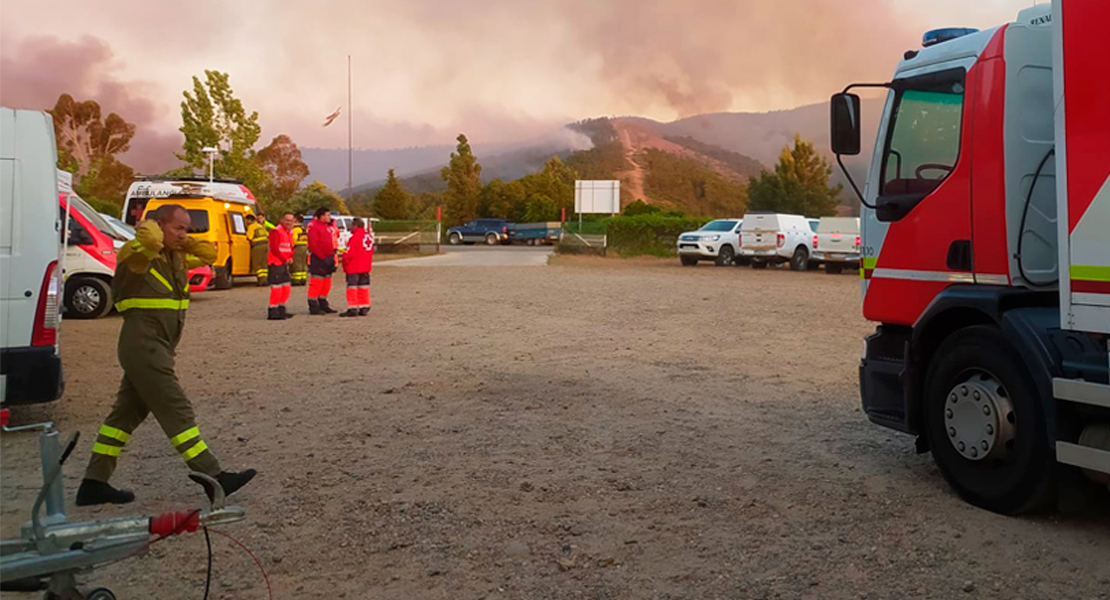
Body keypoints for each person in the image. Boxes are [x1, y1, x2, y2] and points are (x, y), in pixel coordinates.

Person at [76, 205, 257, 506]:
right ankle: (213, 478)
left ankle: (94, 483)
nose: (184, 234)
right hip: (143, 345)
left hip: (158, 345)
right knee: (176, 407)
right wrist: (151, 230)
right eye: (179, 228)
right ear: (159, 226)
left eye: (187, 228)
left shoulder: (173, 257)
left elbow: (209, 255)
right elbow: (145, 244)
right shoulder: (137, 254)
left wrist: (182, 240)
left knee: (124, 416)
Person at [306, 207, 339, 315]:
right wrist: (322, 257)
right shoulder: (314, 227)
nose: (330, 217)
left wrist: (331, 257)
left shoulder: (327, 227)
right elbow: (313, 244)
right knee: (317, 282)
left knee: (326, 282)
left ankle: (323, 302)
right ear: (322, 216)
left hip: (328, 257)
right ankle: (313, 304)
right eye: (327, 215)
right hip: (319, 259)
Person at [339, 218, 374, 317]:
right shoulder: (368, 236)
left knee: (352, 287)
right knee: (364, 287)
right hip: (365, 266)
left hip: (354, 266)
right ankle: (364, 306)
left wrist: (345, 263)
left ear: (355, 225)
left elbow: (349, 254)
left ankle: (353, 307)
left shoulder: (355, 237)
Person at [267, 213, 297, 320]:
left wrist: (290, 257)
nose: (288, 222)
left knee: (286, 287)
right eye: (286, 220)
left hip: (284, 263)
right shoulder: (276, 231)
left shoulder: (289, 232)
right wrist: (285, 259)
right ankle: (273, 310)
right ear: (281, 220)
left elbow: (289, 247)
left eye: (291, 220)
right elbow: (274, 248)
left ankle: (281, 308)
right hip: (276, 262)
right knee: (277, 288)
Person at [246, 214, 269, 286]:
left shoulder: (251, 227)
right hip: (266, 246)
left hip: (257, 247)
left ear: (249, 220)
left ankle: (261, 281)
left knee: (257, 263)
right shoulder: (260, 226)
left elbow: (249, 237)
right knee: (264, 264)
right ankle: (265, 280)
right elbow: (267, 235)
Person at [290, 219, 308, 286]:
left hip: (298, 247)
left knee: (297, 263)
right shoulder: (304, 229)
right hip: (304, 246)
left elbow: (294, 238)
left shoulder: (295, 230)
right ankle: (303, 279)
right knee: (303, 263)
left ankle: (296, 280)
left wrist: (292, 245)